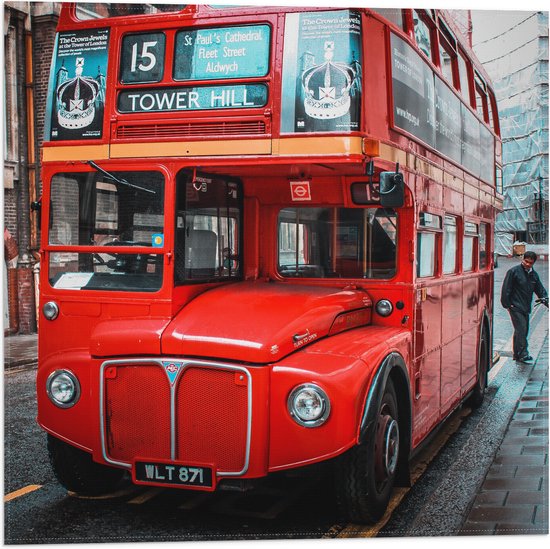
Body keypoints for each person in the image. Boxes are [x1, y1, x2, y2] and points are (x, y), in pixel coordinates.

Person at [501, 251, 548, 363]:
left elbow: (540, 289)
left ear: (533, 263)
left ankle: (517, 354)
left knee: (522, 330)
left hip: (525, 307)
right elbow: (506, 289)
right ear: (523, 259)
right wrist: (507, 304)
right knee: (521, 329)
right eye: (526, 261)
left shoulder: (533, 275)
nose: (527, 264)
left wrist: (546, 300)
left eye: (530, 263)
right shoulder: (513, 272)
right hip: (515, 306)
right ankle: (523, 354)